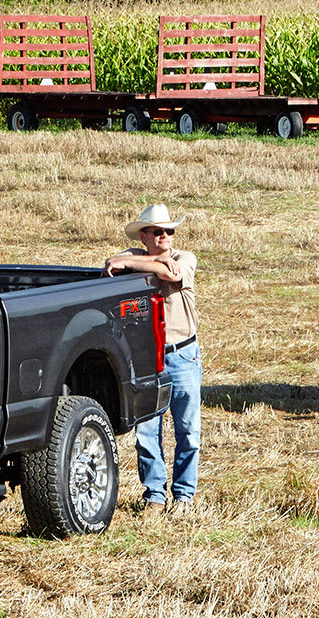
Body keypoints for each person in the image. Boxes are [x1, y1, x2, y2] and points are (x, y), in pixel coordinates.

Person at [105, 204, 201, 514]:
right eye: (158, 231)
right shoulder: (135, 254)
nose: (165, 237)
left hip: (182, 352)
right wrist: (141, 261)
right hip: (148, 358)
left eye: (169, 231)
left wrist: (135, 263)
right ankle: (155, 495)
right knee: (147, 430)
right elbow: (110, 264)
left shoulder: (185, 258)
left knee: (188, 429)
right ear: (144, 235)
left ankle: (184, 496)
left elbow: (169, 272)